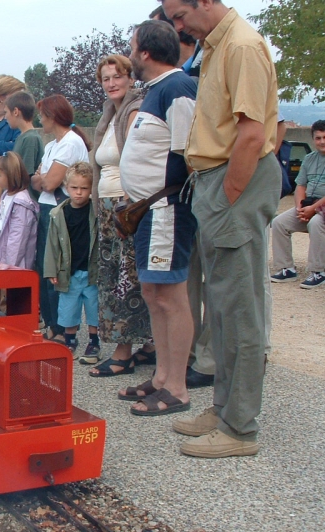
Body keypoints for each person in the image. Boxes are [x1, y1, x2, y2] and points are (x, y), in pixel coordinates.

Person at [161, 0, 281, 458]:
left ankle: (240, 428)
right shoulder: (217, 46)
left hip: (235, 181)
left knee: (240, 310)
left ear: (206, 1)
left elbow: (251, 135)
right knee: (223, 308)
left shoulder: (243, 46)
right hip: (216, 181)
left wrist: (229, 195)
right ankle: (224, 408)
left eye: (178, 14)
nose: (176, 26)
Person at [116, 20, 198, 417]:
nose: (130, 52)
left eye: (132, 46)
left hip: (167, 209)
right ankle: (162, 377)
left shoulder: (177, 88)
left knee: (171, 296)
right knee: (154, 294)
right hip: (149, 212)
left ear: (146, 51)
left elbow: (188, 152)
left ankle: (178, 388)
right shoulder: (154, 92)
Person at [88, 54, 156, 377]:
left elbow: (137, 159)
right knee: (111, 276)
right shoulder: (108, 114)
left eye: (117, 76)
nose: (111, 83)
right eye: (106, 78)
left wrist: (125, 205)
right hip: (105, 204)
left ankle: (123, 352)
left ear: (130, 78)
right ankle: (148, 345)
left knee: (125, 281)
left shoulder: (134, 111)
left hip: (123, 205)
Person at [32, 94, 91, 344]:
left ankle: (61, 328)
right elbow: (37, 181)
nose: (40, 120)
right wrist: (41, 178)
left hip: (61, 211)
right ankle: (52, 324)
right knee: (44, 269)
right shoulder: (51, 146)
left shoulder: (70, 143)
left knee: (56, 270)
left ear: (52, 116)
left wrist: (42, 178)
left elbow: (49, 181)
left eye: (42, 115)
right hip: (46, 208)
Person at [44, 162, 100, 359]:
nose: (79, 193)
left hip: (92, 270)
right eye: (74, 188)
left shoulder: (96, 210)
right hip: (69, 272)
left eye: (84, 188)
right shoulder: (58, 214)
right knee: (68, 308)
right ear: (66, 187)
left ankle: (94, 342)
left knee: (94, 307)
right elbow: (51, 244)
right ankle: (69, 340)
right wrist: (51, 270)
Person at [270, 119, 325, 289]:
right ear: (313, 139)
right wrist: (300, 208)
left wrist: (313, 209)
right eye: (318, 138)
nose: (322, 141)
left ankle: (318, 271)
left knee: (316, 223)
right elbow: (300, 185)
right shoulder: (309, 159)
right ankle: (286, 268)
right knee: (279, 223)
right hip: (310, 206)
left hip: (321, 209)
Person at [0, 152, 39, 269]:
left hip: (15, 268)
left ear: (10, 175)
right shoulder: (5, 195)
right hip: (1, 262)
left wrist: (8, 269)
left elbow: (17, 241)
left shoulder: (21, 203)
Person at [5, 91, 44, 176]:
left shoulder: (30, 138)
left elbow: (26, 175)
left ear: (15, 111)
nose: (5, 117)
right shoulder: (22, 137)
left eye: (6, 112)